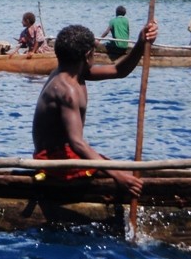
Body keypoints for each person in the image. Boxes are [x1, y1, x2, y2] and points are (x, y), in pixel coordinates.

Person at [31, 21, 159, 197]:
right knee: (119, 174)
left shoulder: (73, 71)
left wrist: (141, 43)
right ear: (87, 55)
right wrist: (118, 176)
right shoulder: (66, 90)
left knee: (122, 170)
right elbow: (76, 143)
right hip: (52, 161)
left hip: (64, 154)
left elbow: (118, 70)